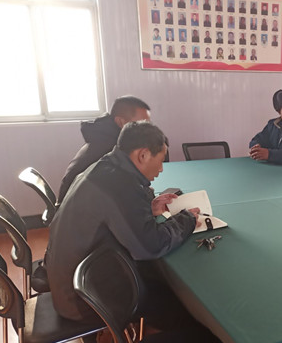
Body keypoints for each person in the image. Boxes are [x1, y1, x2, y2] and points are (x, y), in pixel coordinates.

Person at [46, 121, 200, 326]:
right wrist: (186, 220)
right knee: (182, 303)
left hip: (67, 282)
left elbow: (114, 213)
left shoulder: (105, 167)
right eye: (161, 160)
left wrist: (149, 208)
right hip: (83, 299)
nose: (162, 169)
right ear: (143, 155)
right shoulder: (120, 185)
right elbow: (151, 245)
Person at [58, 96, 152, 202]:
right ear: (121, 122)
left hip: (78, 204)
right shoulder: (112, 147)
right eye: (142, 124)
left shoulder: (105, 136)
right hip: (80, 208)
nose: (147, 130)